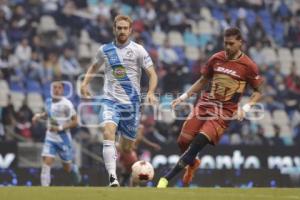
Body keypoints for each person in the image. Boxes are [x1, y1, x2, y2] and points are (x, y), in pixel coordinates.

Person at [157, 27, 263, 188]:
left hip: (224, 112)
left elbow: (258, 92)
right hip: (205, 104)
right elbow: (203, 80)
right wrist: (184, 97)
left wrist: (245, 108)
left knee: (198, 142)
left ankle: (165, 179)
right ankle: (193, 163)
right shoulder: (216, 58)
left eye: (231, 43)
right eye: (225, 43)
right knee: (183, 141)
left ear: (240, 43)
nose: (227, 47)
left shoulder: (249, 66)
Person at [80, 15, 158, 187]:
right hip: (110, 101)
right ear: (114, 29)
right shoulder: (105, 50)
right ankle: (112, 177)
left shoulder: (139, 50)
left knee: (126, 148)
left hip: (131, 105)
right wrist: (85, 83)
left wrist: (151, 92)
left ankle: (131, 174)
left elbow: (152, 74)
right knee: (108, 133)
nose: (122, 31)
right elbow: (94, 67)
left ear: (130, 30)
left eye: (125, 28)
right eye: (119, 28)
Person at [32, 81, 81, 186]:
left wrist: (59, 128)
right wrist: (39, 116)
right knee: (46, 163)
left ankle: (74, 169)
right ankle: (44, 192)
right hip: (50, 138)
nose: (56, 90)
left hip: (63, 139)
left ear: (62, 90)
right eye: (54, 87)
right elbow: (48, 114)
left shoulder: (67, 104)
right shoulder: (48, 102)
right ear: (51, 89)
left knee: (67, 167)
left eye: (59, 88)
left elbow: (75, 121)